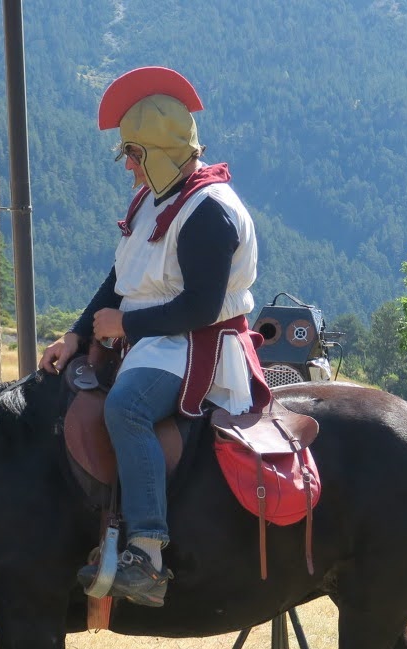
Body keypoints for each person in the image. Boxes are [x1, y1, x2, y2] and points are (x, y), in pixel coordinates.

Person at [40, 67, 263, 607]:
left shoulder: (210, 211)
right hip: (155, 340)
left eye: (133, 155)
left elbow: (200, 307)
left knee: (127, 409)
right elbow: (119, 281)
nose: (128, 167)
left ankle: (146, 554)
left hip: (199, 345)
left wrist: (127, 326)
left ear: (158, 151)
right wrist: (75, 334)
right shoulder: (154, 198)